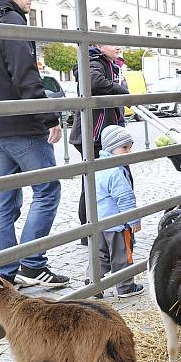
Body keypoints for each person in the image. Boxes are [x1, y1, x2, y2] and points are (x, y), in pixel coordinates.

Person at [0, 0, 68, 288]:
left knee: (4, 200)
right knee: (48, 189)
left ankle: (6, 273)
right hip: (23, 125)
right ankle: (32, 263)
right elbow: (26, 76)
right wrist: (48, 118)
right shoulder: (11, 22)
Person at [69, 26, 130, 244]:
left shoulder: (107, 63)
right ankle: (92, 232)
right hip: (95, 135)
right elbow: (94, 82)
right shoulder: (94, 61)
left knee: (96, 181)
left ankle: (96, 230)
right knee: (96, 182)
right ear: (97, 45)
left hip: (99, 133)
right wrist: (120, 90)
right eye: (111, 41)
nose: (117, 46)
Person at [87, 125, 144, 298]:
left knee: (100, 255)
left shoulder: (97, 168)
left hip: (100, 223)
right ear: (111, 148)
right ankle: (126, 287)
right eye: (124, 148)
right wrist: (134, 220)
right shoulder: (116, 171)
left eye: (130, 147)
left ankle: (93, 284)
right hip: (118, 225)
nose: (128, 152)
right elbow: (125, 198)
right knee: (122, 256)